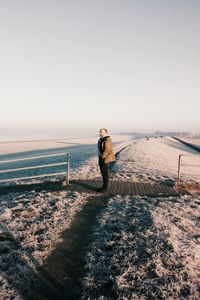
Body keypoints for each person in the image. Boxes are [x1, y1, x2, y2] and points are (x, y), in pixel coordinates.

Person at [97, 128, 116, 192]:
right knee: (103, 172)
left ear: (105, 132)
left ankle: (105, 188)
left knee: (104, 173)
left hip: (104, 159)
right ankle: (104, 186)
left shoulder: (107, 139)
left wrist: (102, 157)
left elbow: (107, 150)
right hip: (101, 157)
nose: (100, 133)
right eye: (99, 132)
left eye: (101, 132)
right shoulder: (101, 138)